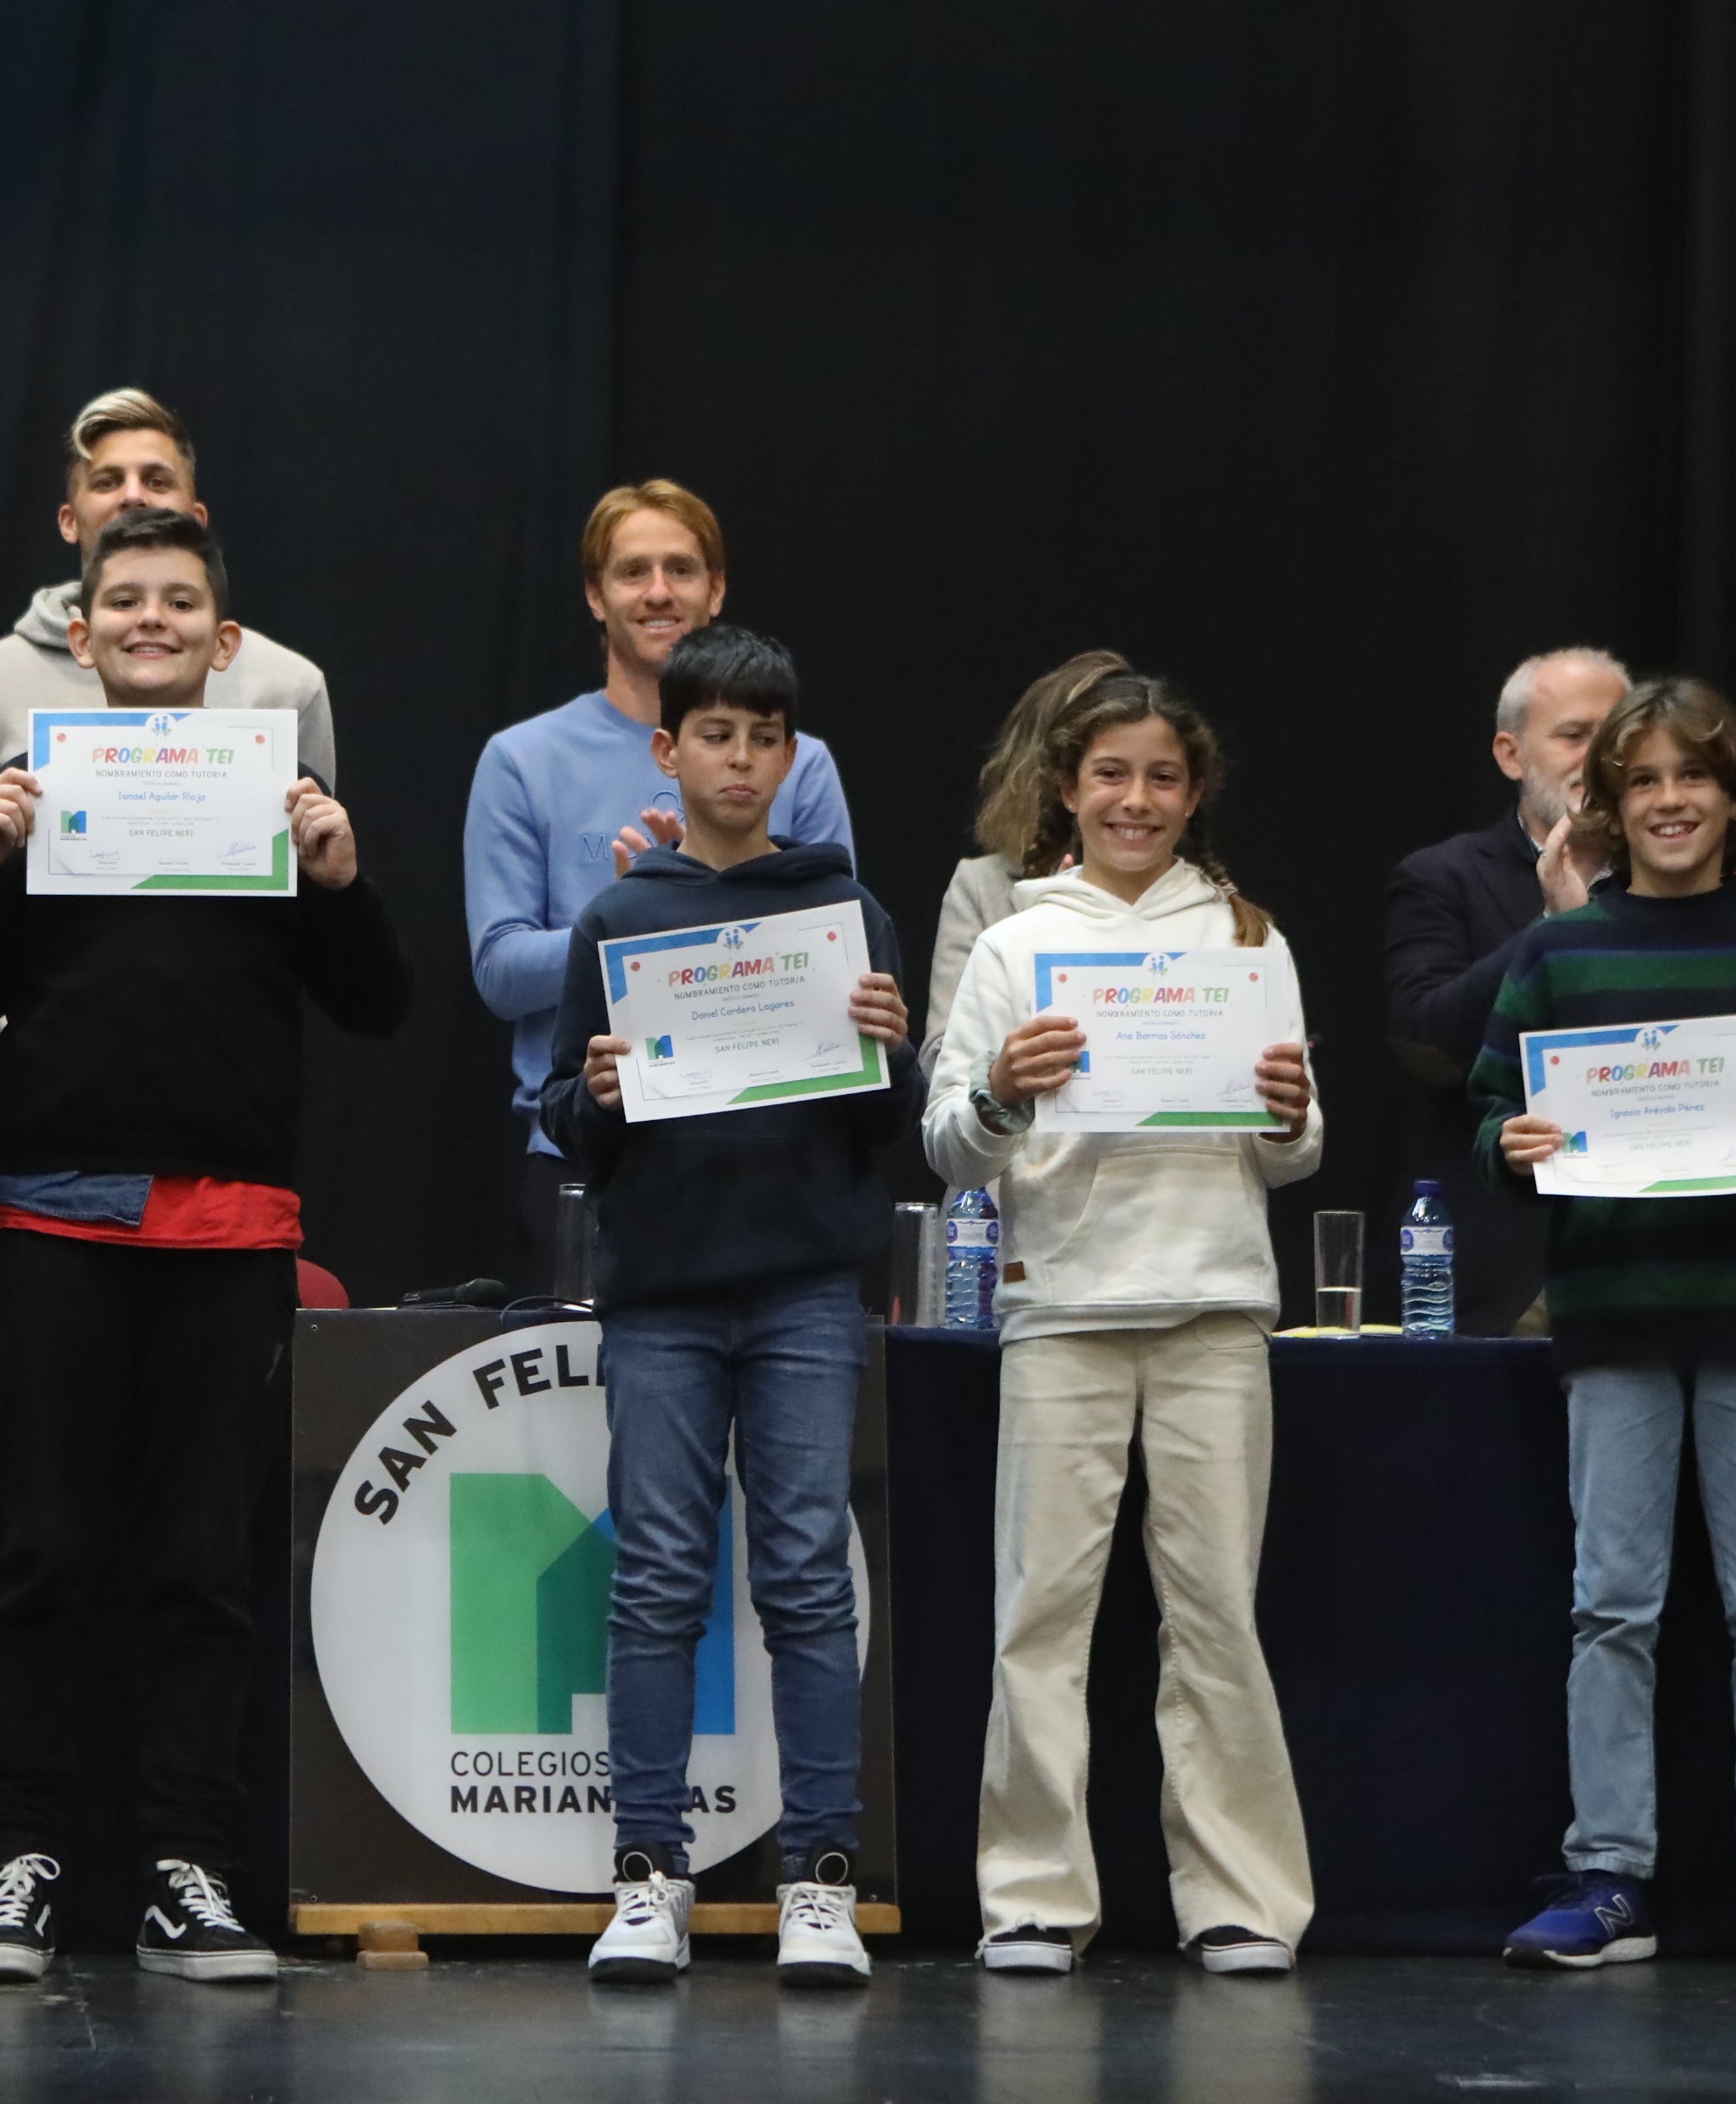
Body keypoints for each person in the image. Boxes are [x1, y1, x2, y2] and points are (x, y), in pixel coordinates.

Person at [0, 509, 408, 1989]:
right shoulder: (29, 798)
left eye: (179, 602)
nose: (149, 619)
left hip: (228, 1229)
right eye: (122, 600)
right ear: (79, 635)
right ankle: (12, 1865)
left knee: (201, 1565)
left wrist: (338, 878)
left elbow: (381, 1006)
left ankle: (184, 1868)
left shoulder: (280, 802)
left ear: (224, 640)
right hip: (52, 1220)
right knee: (41, 1551)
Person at [1477, 678, 1736, 1979]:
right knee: (1615, 1606)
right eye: (1643, 781)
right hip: (1612, 1314)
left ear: (1734, 797)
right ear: (1610, 802)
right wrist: (1517, 1141)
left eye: (1691, 779)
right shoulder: (1559, 953)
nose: (1668, 802)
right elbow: (1493, 1113)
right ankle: (1610, 1876)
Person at [925, 672, 1322, 1977]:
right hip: (1065, 1311)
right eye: (1111, 775)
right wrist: (998, 1092)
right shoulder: (1014, 942)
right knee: (1042, 1613)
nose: (1135, 800)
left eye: (1161, 777)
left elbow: (1294, 1150)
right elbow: (949, 1153)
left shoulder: (1248, 937)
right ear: (1069, 790)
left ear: (1192, 793)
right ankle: (1033, 1895)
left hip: (1213, 1305)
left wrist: (1284, 1113)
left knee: (1217, 1614)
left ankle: (1242, 1900)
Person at [543, 624, 917, 1993]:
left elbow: (893, 1123)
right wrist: (585, 1091)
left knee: (810, 1575)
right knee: (655, 1581)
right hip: (662, 1296)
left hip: (812, 1285)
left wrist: (891, 1048)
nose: (743, 759)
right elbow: (575, 1127)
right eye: (718, 735)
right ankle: (652, 1873)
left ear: (793, 756)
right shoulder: (619, 919)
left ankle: (820, 1873)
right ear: (670, 749)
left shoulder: (843, 911)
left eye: (767, 738)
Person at [467, 481, 856, 1272]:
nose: (657, 593)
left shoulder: (799, 762)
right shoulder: (521, 759)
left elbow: (840, 955)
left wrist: (689, 903)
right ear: (593, 594)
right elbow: (500, 973)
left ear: (715, 591)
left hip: (769, 1147)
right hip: (588, 1152)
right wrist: (619, 918)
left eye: (680, 569)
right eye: (631, 571)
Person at [0, 389, 335, 834]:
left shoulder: (290, 685)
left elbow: (312, 877)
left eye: (157, 481)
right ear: (69, 520)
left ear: (197, 517)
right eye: (107, 482)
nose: (132, 496)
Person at [1380, 647, 1633, 1332]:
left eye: (1616, 738)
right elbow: (1425, 1042)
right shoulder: (1444, 877)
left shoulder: (1682, 879)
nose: (1597, 758)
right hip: (1510, 1266)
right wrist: (1555, 927)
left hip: (1654, 1261)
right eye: (1575, 735)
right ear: (1511, 753)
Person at [922, 650, 1132, 1076]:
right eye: (1107, 770)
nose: (1129, 794)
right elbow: (941, 1058)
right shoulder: (982, 886)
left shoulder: (1189, 893)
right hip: (1027, 1135)